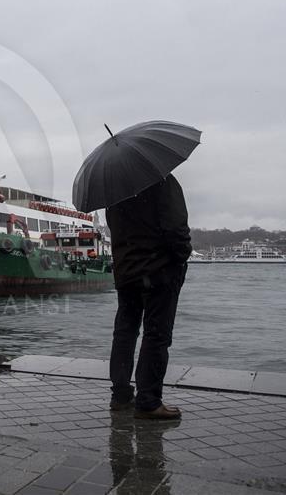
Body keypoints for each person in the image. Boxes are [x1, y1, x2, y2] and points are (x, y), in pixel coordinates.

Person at [105, 173, 191, 420]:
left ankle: (121, 395)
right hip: (159, 271)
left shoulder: (114, 192)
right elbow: (176, 227)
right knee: (156, 334)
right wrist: (181, 255)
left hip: (126, 272)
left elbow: (115, 229)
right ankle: (149, 401)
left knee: (125, 332)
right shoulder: (162, 181)